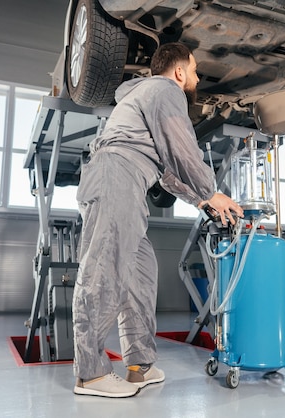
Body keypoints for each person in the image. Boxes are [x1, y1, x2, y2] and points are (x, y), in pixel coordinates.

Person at [72, 42, 244, 398]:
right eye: (195, 71)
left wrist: (201, 200)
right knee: (104, 271)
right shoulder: (166, 90)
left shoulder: (147, 95)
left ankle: (139, 366)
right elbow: (181, 148)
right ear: (179, 71)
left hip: (128, 180)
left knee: (140, 274)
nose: (196, 78)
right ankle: (90, 374)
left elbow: (167, 170)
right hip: (117, 176)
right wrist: (210, 191)